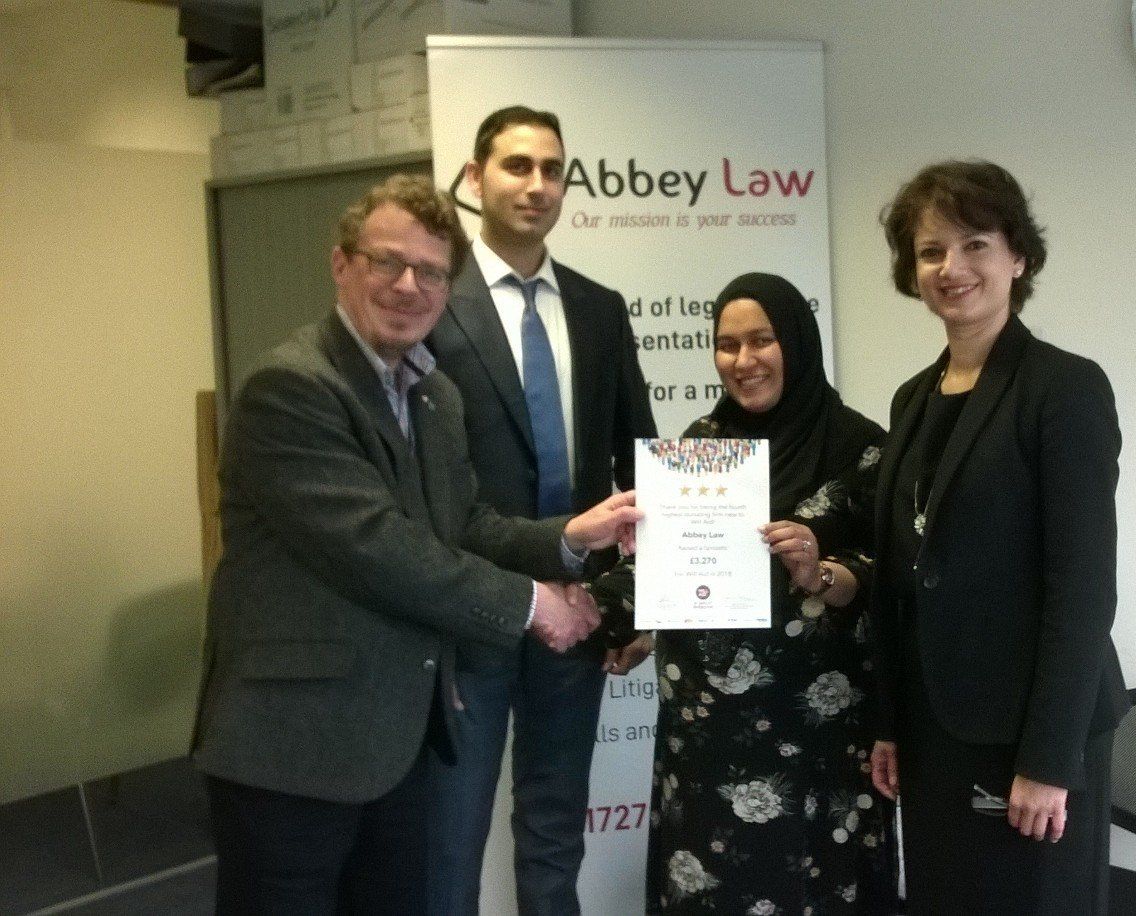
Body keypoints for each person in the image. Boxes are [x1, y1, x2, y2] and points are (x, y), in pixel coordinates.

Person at [191, 174, 641, 915]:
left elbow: (464, 527)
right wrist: (534, 605)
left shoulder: (433, 394)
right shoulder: (292, 387)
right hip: (293, 750)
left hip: (399, 741)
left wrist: (570, 536)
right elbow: (379, 548)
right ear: (342, 265)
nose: (409, 286)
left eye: (431, 271)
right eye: (387, 263)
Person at [867, 161, 1128, 914]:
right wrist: (889, 721)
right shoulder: (913, 397)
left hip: (1029, 735)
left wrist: (1050, 760)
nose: (952, 268)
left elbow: (1081, 590)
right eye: (930, 251)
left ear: (1018, 257)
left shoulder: (1064, 389)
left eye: (975, 244)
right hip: (934, 728)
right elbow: (903, 570)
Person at [424, 106, 658, 914]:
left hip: (580, 609)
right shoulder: (433, 305)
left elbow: (638, 461)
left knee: (556, 824)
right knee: (450, 830)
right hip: (472, 607)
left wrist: (637, 602)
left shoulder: (600, 307)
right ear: (474, 177)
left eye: (552, 168)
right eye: (517, 165)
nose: (536, 184)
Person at [609, 272, 894, 914]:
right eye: (727, 344)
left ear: (796, 342)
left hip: (815, 728)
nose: (744, 361)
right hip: (705, 730)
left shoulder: (861, 446)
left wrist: (823, 572)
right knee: (711, 878)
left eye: (762, 340)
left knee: (811, 883)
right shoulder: (702, 444)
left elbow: (890, 576)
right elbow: (678, 563)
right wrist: (640, 621)